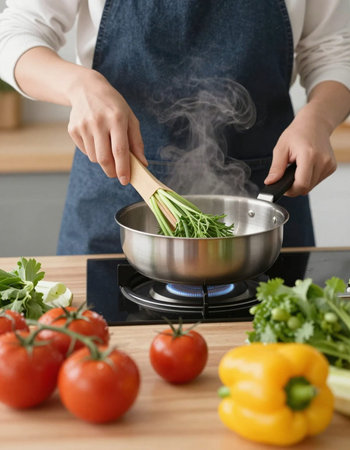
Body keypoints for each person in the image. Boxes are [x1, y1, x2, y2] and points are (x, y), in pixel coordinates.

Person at [0, 0, 349, 254]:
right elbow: (14, 32)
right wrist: (78, 85)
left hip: (264, 199)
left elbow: (333, 51)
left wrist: (318, 119)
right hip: (115, 186)